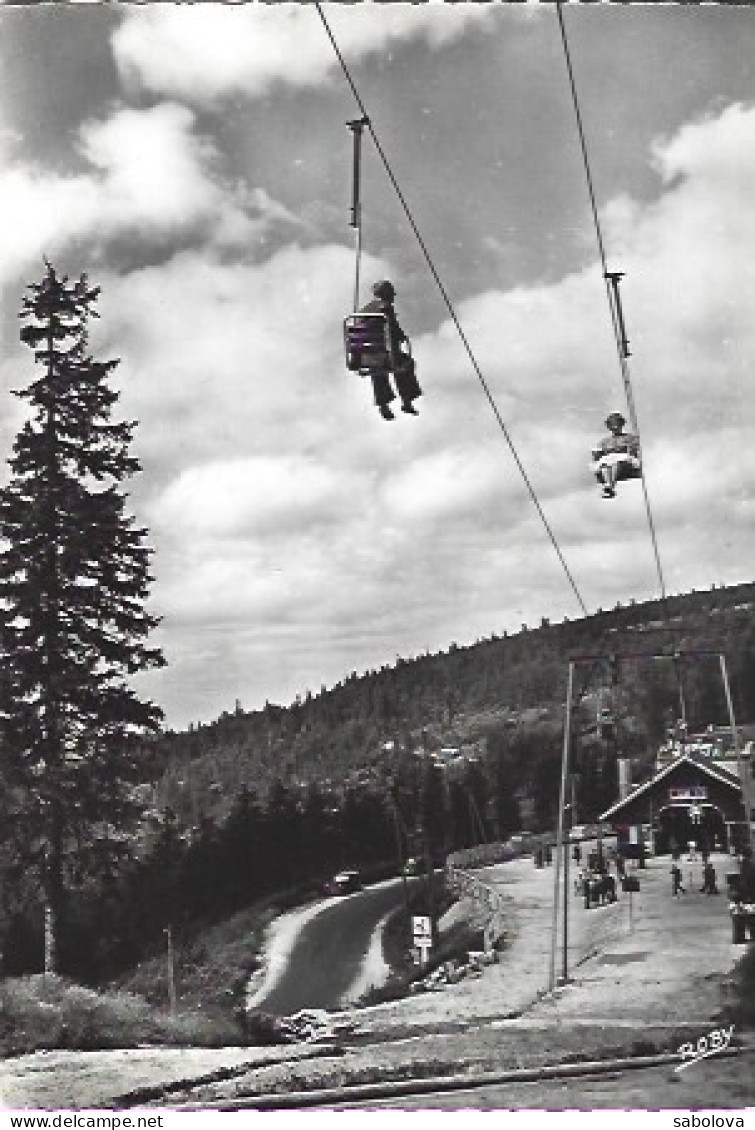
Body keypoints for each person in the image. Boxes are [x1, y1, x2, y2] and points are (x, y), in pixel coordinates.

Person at [360, 280, 422, 421]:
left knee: (378, 367)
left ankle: (384, 405)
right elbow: (393, 330)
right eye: (391, 295)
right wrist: (401, 335)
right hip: (384, 354)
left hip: (366, 356)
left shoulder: (366, 309)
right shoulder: (385, 308)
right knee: (404, 363)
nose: (393, 298)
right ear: (387, 295)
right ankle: (406, 400)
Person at [591, 412, 641, 499]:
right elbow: (597, 453)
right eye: (612, 424)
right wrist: (597, 454)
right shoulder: (605, 441)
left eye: (617, 424)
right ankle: (608, 486)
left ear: (621, 425)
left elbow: (634, 449)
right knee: (605, 463)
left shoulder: (629, 437)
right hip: (609, 461)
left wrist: (631, 448)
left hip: (625, 461)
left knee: (615, 463)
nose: (615, 427)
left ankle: (610, 486)